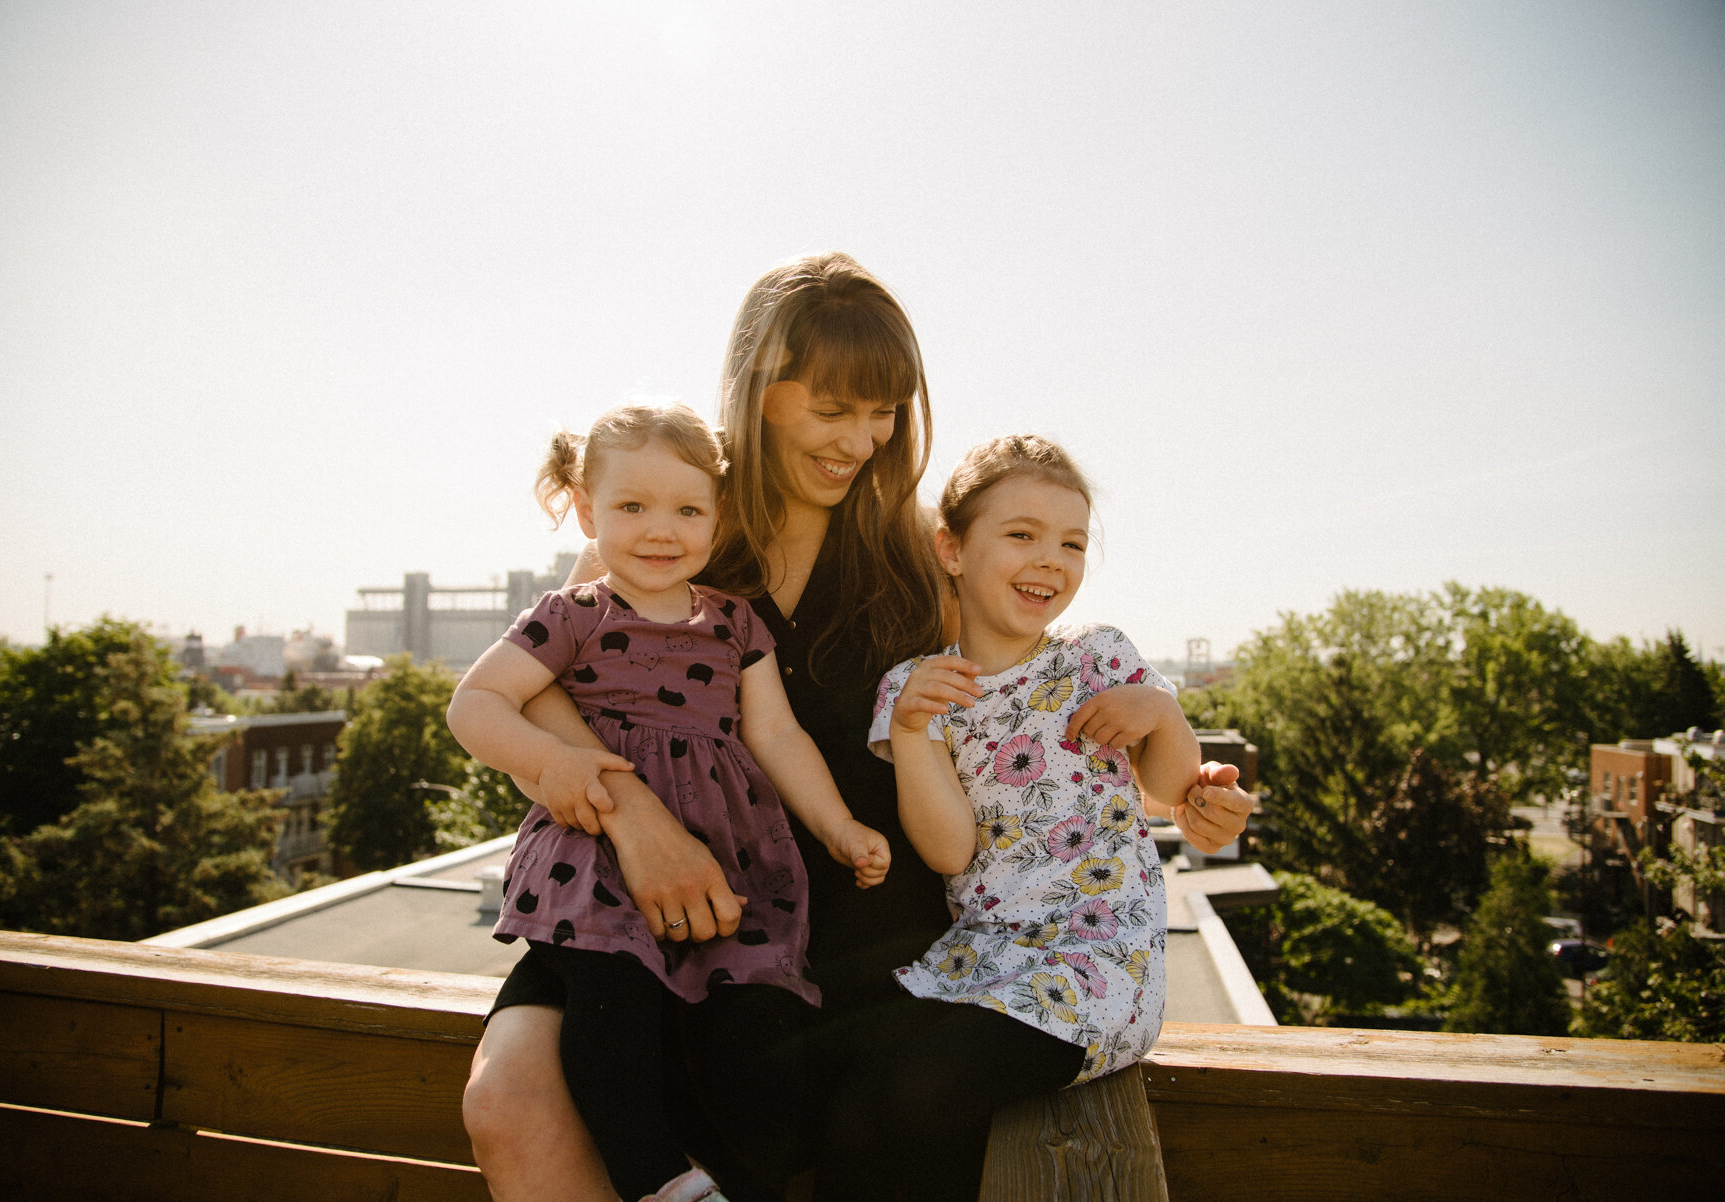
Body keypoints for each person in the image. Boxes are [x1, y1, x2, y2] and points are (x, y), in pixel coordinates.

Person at [459, 253, 1256, 1202]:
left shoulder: (913, 555)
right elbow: (535, 695)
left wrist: (1173, 764)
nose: (861, 441)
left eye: (882, 411)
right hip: (635, 905)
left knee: (802, 1121)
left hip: (842, 938)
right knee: (510, 1098)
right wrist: (634, 818)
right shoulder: (672, 520)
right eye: (832, 410)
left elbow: (1027, 690)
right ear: (759, 392)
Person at [446, 402, 891, 1202]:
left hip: (723, 864)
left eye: (688, 510)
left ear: (721, 515)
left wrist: (837, 826)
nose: (661, 529)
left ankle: (721, 1177)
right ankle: (659, 1180)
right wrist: (556, 768)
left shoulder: (733, 623)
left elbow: (778, 737)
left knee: (744, 1032)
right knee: (610, 1006)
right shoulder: (570, 617)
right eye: (631, 508)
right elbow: (474, 705)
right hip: (595, 860)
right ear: (587, 512)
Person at [841, 434, 1197, 1199]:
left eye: (1071, 542)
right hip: (981, 961)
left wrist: (1163, 716)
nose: (1051, 560)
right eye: (1022, 534)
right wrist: (910, 734)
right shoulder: (917, 686)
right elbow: (948, 849)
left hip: (1098, 967)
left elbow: (1169, 788)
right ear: (952, 549)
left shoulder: (1096, 657)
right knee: (857, 1079)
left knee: (928, 1082)